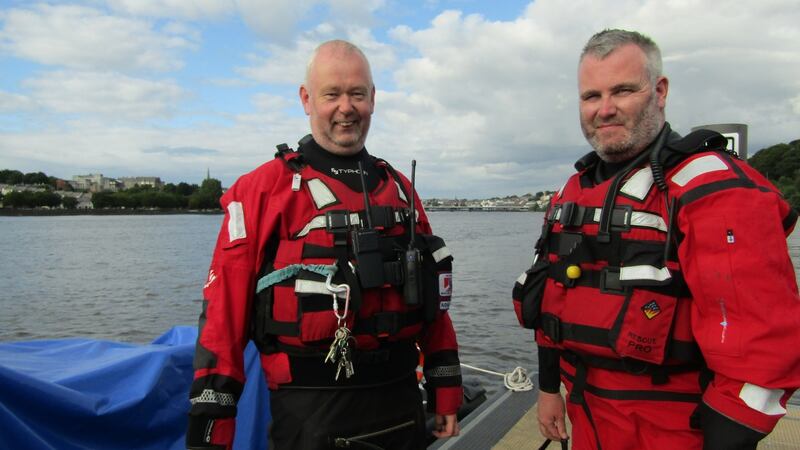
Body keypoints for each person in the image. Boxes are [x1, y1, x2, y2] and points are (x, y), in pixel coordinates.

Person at [512, 29, 800, 449]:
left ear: (659, 91)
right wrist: (548, 388)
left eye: (623, 90)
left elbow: (763, 354)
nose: (604, 109)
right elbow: (553, 299)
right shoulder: (571, 191)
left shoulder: (715, 189)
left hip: (676, 428)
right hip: (585, 414)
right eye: (591, 96)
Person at [186, 40, 462, 450]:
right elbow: (223, 314)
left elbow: (433, 305)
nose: (345, 107)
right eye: (332, 94)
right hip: (308, 413)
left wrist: (445, 391)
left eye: (357, 94)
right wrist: (212, 427)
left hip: (403, 403)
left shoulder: (401, 190)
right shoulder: (261, 189)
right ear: (306, 99)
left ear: (373, 99)